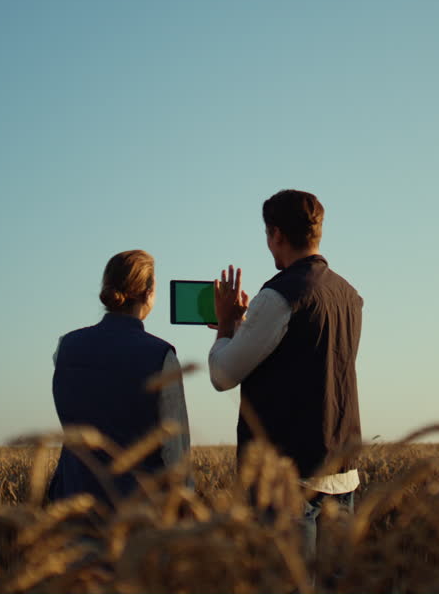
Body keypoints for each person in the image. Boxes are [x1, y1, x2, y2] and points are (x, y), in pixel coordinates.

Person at [208, 189, 363, 560]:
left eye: (267, 236)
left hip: (287, 477)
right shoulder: (350, 296)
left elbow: (222, 374)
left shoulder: (278, 296)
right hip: (342, 469)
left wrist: (227, 326)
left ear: (277, 234)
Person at [47, 249, 191, 507]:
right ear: (148, 293)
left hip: (71, 502)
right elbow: (175, 451)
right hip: (138, 513)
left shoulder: (65, 347)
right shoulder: (161, 356)